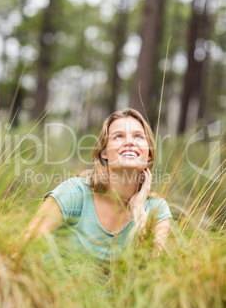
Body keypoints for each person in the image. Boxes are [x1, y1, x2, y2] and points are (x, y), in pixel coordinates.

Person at [25, 108, 172, 261]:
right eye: (118, 136)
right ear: (104, 153)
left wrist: (139, 214)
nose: (129, 142)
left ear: (148, 153)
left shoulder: (157, 210)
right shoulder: (75, 192)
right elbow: (24, 247)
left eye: (139, 136)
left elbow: (153, 272)